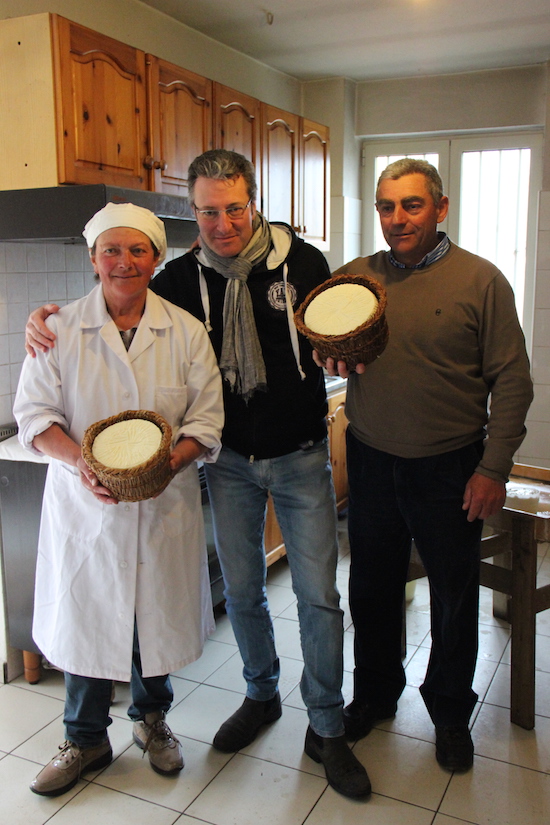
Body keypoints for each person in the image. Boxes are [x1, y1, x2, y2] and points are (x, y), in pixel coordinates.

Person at [24, 150, 371, 800]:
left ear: (253, 201)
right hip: (229, 464)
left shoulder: (302, 264)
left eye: (233, 207)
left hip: (297, 452)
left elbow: (326, 337)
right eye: (208, 211)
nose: (222, 223)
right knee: (238, 592)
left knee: (319, 595)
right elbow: (81, 345)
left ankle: (326, 726)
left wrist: (344, 356)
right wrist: (40, 319)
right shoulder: (172, 284)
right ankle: (256, 694)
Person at [316, 158, 534, 773]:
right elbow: (315, 329)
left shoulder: (480, 281)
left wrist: (494, 468)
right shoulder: (357, 278)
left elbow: (513, 380)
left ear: (440, 209)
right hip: (373, 456)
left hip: (451, 464)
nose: (397, 219)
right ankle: (376, 695)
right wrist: (325, 355)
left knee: (453, 595)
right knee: (373, 587)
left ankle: (447, 711)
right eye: (387, 207)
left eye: (411, 205)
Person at [14, 202, 224, 797]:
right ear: (93, 258)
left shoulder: (184, 331)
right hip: (86, 508)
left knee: (149, 618)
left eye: (137, 250)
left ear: (157, 259)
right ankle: (84, 739)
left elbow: (206, 420)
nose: (124, 262)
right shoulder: (57, 330)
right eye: (112, 250)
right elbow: (33, 415)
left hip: (162, 504)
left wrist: (168, 464)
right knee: (88, 616)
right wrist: (84, 462)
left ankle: (151, 722)